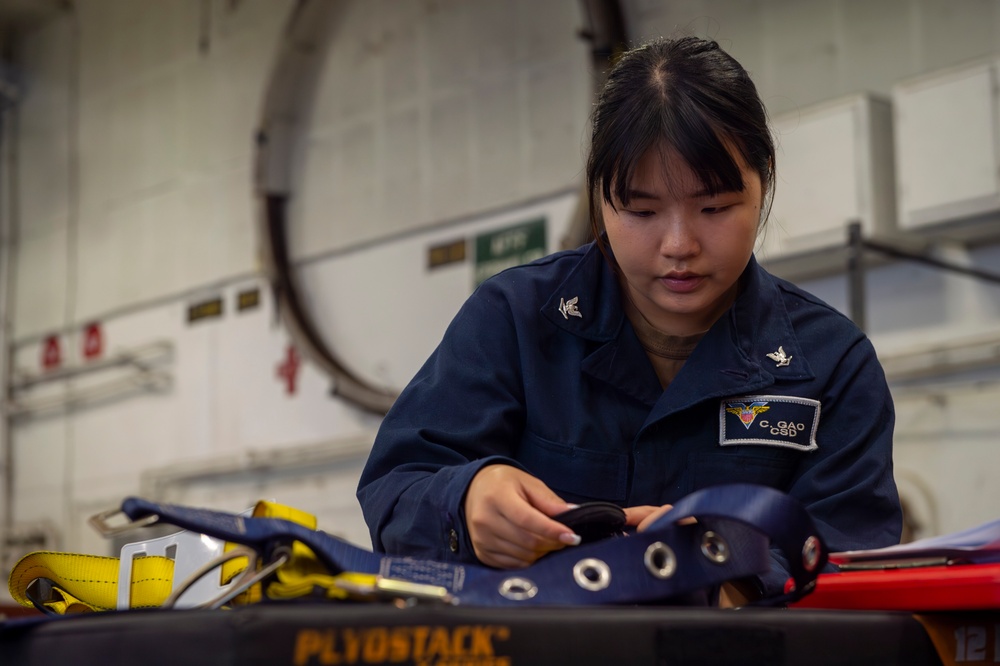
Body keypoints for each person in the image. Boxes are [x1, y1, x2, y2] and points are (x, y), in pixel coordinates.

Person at [356, 36, 902, 604]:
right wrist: (465, 504)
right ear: (600, 195)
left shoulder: (832, 364)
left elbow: (850, 557)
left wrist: (735, 569)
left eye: (715, 208)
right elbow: (396, 487)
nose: (679, 245)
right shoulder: (515, 321)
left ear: (764, 180)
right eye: (641, 211)